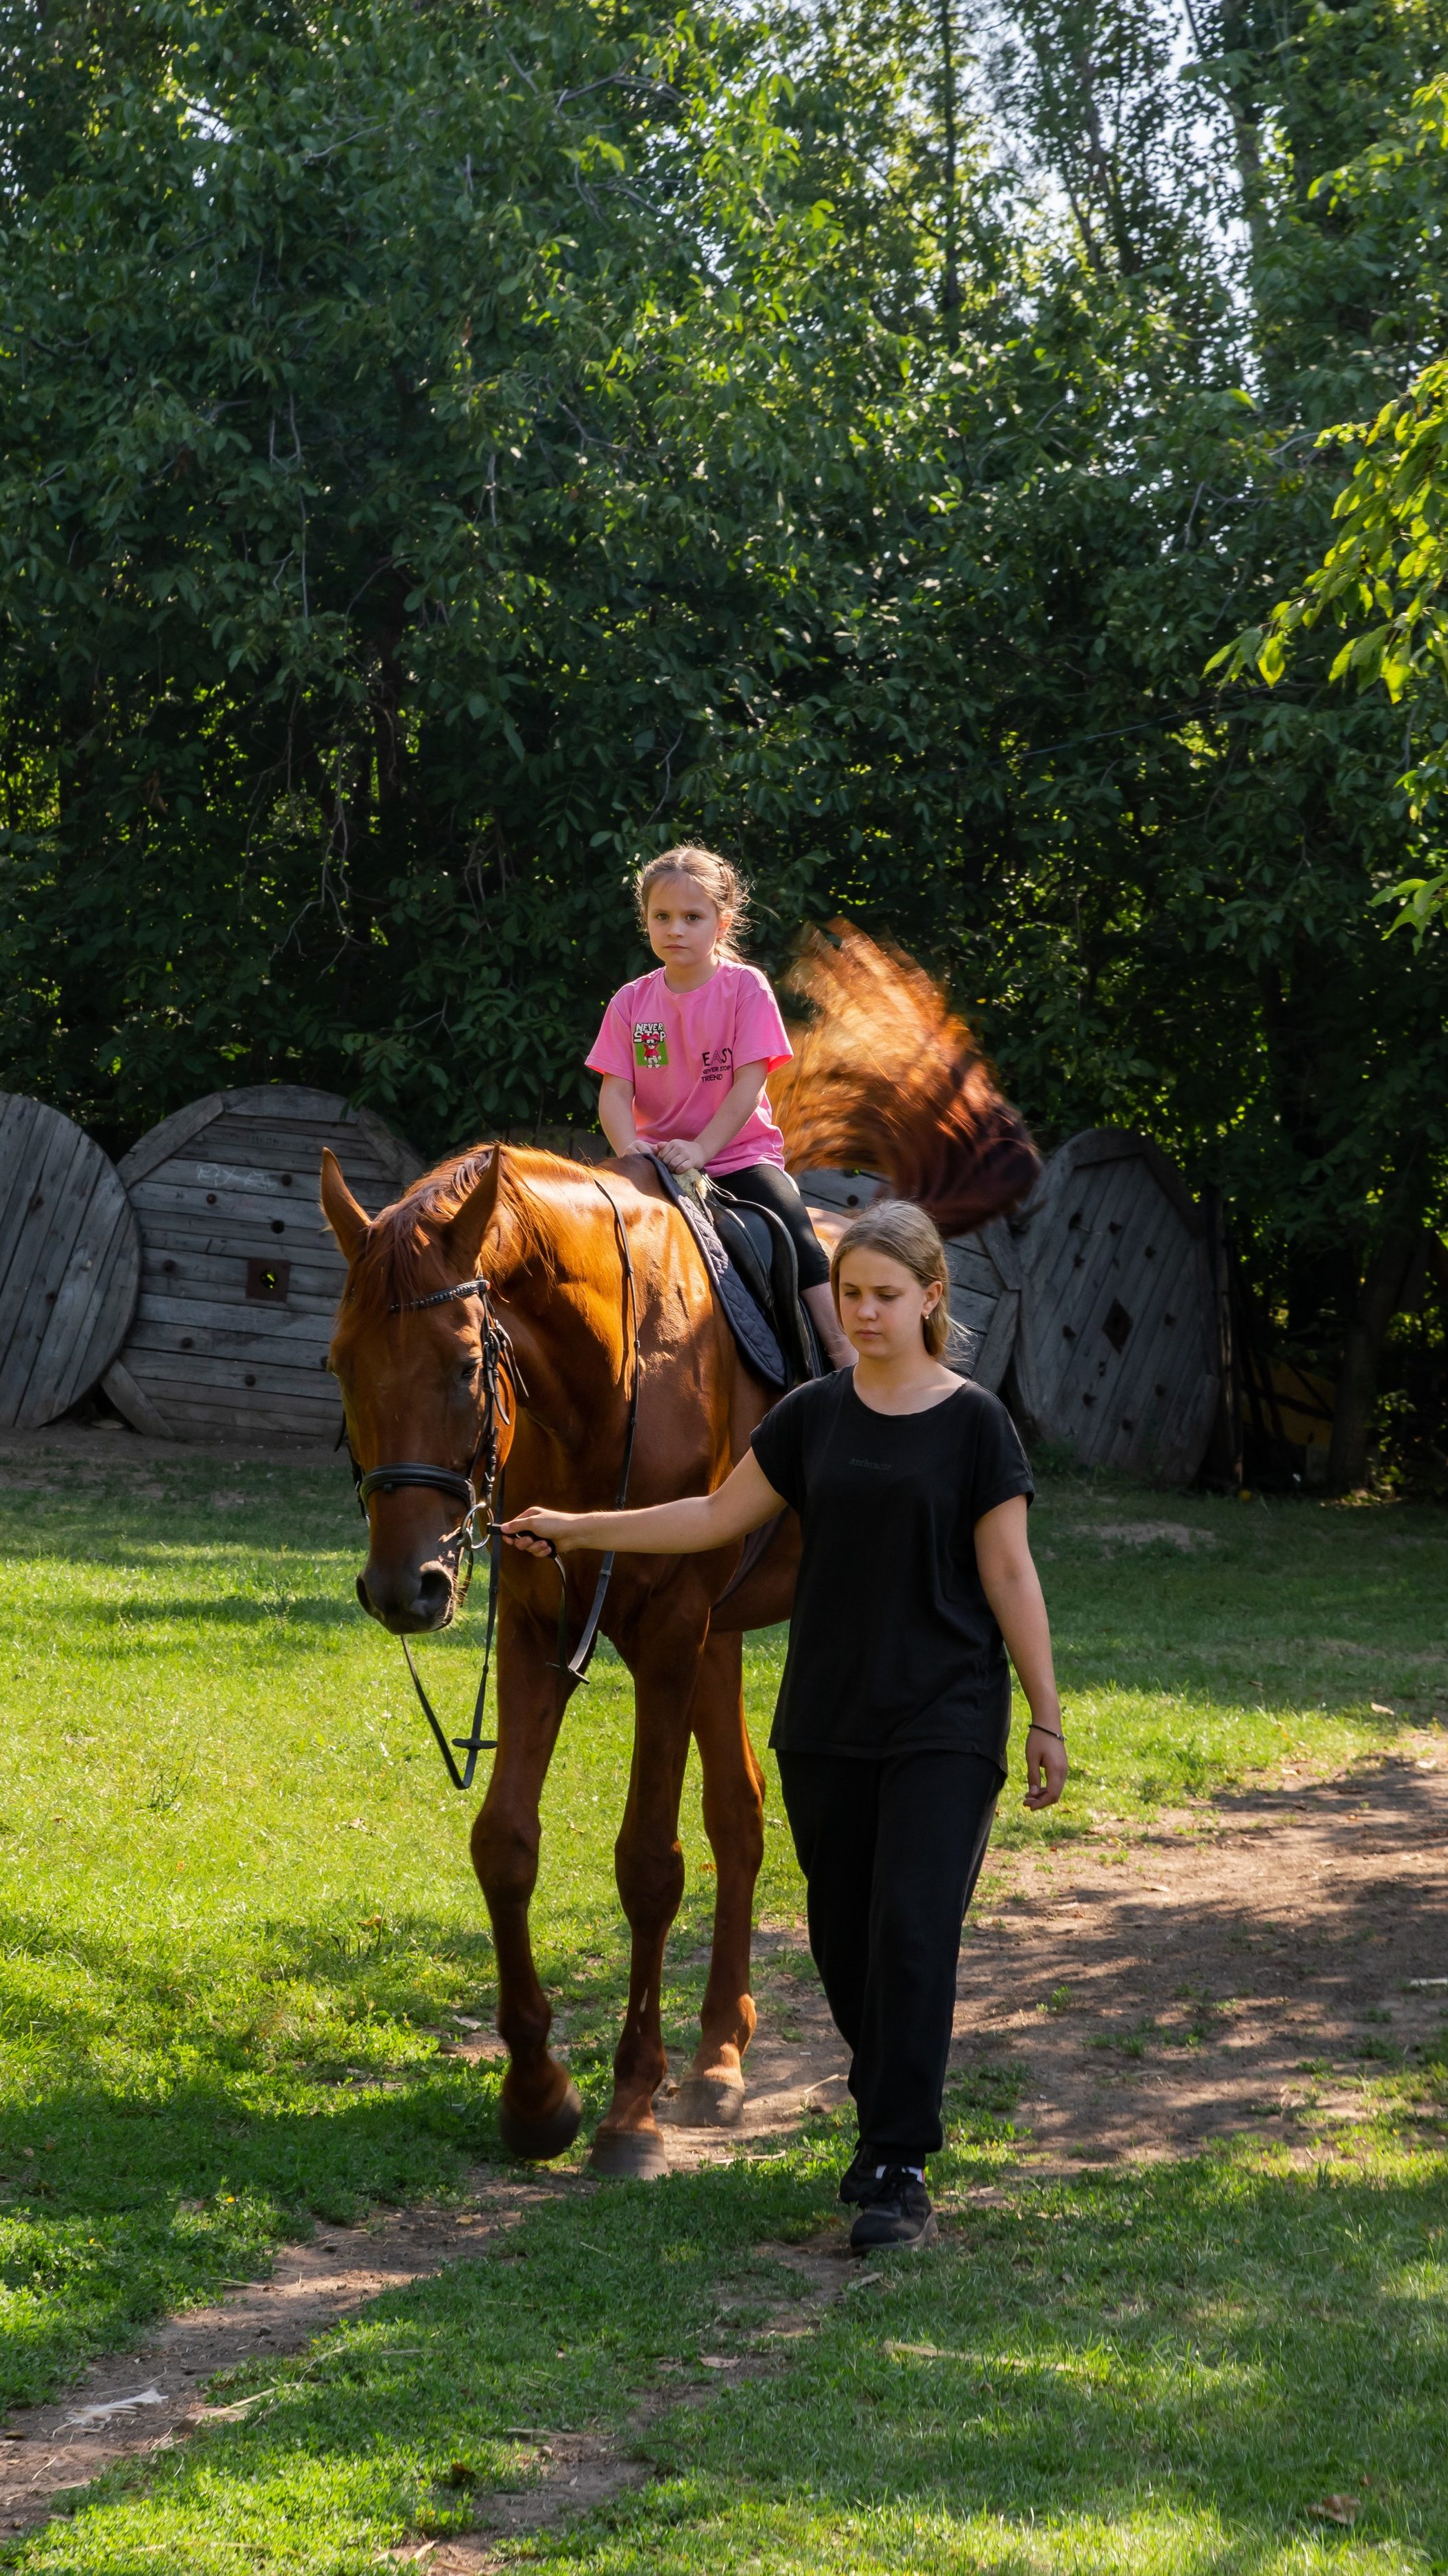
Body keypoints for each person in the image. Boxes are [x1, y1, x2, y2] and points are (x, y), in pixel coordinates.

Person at [506, 1198, 1068, 2253]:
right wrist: (579, 1526)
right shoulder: (811, 1415)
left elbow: (1008, 1571)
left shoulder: (975, 1424)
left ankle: (898, 2161)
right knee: (844, 1943)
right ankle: (885, 2108)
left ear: (931, 1297)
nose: (864, 1312)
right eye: (850, 1293)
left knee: (912, 1933)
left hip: (946, 1716)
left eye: (885, 1295)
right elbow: (711, 1516)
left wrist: (1045, 1714)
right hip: (826, 1721)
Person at [586, 843, 857, 1368]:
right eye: (662, 917)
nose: (676, 930)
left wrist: (701, 1149)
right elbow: (614, 1092)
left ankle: (843, 1355)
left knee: (793, 1227)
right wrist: (629, 1148)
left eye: (693, 917)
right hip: (654, 1163)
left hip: (738, 1158)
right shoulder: (630, 1001)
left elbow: (749, 1085)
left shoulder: (745, 988)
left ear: (722, 921)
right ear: (646, 921)